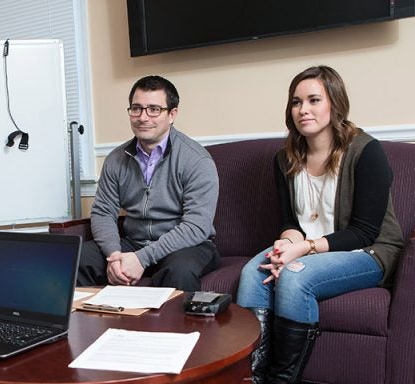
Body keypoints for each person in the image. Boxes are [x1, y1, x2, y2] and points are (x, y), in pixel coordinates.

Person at [237, 65, 404, 383]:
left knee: (296, 278)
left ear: (335, 104)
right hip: (307, 246)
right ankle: (251, 377)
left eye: (314, 100)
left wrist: (302, 250)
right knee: (252, 273)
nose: (303, 110)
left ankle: (281, 380)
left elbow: (365, 232)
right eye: (296, 102)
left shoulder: (366, 152)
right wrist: (286, 243)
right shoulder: (285, 158)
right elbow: (289, 221)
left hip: (368, 251)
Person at [77, 75, 220, 292]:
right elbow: (104, 212)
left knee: (179, 271)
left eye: (154, 109)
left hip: (185, 246)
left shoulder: (196, 160)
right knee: (77, 259)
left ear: (172, 114)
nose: (143, 117)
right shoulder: (116, 159)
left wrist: (141, 259)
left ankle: (176, 328)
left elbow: (196, 226)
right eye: (137, 108)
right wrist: (114, 257)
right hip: (133, 242)